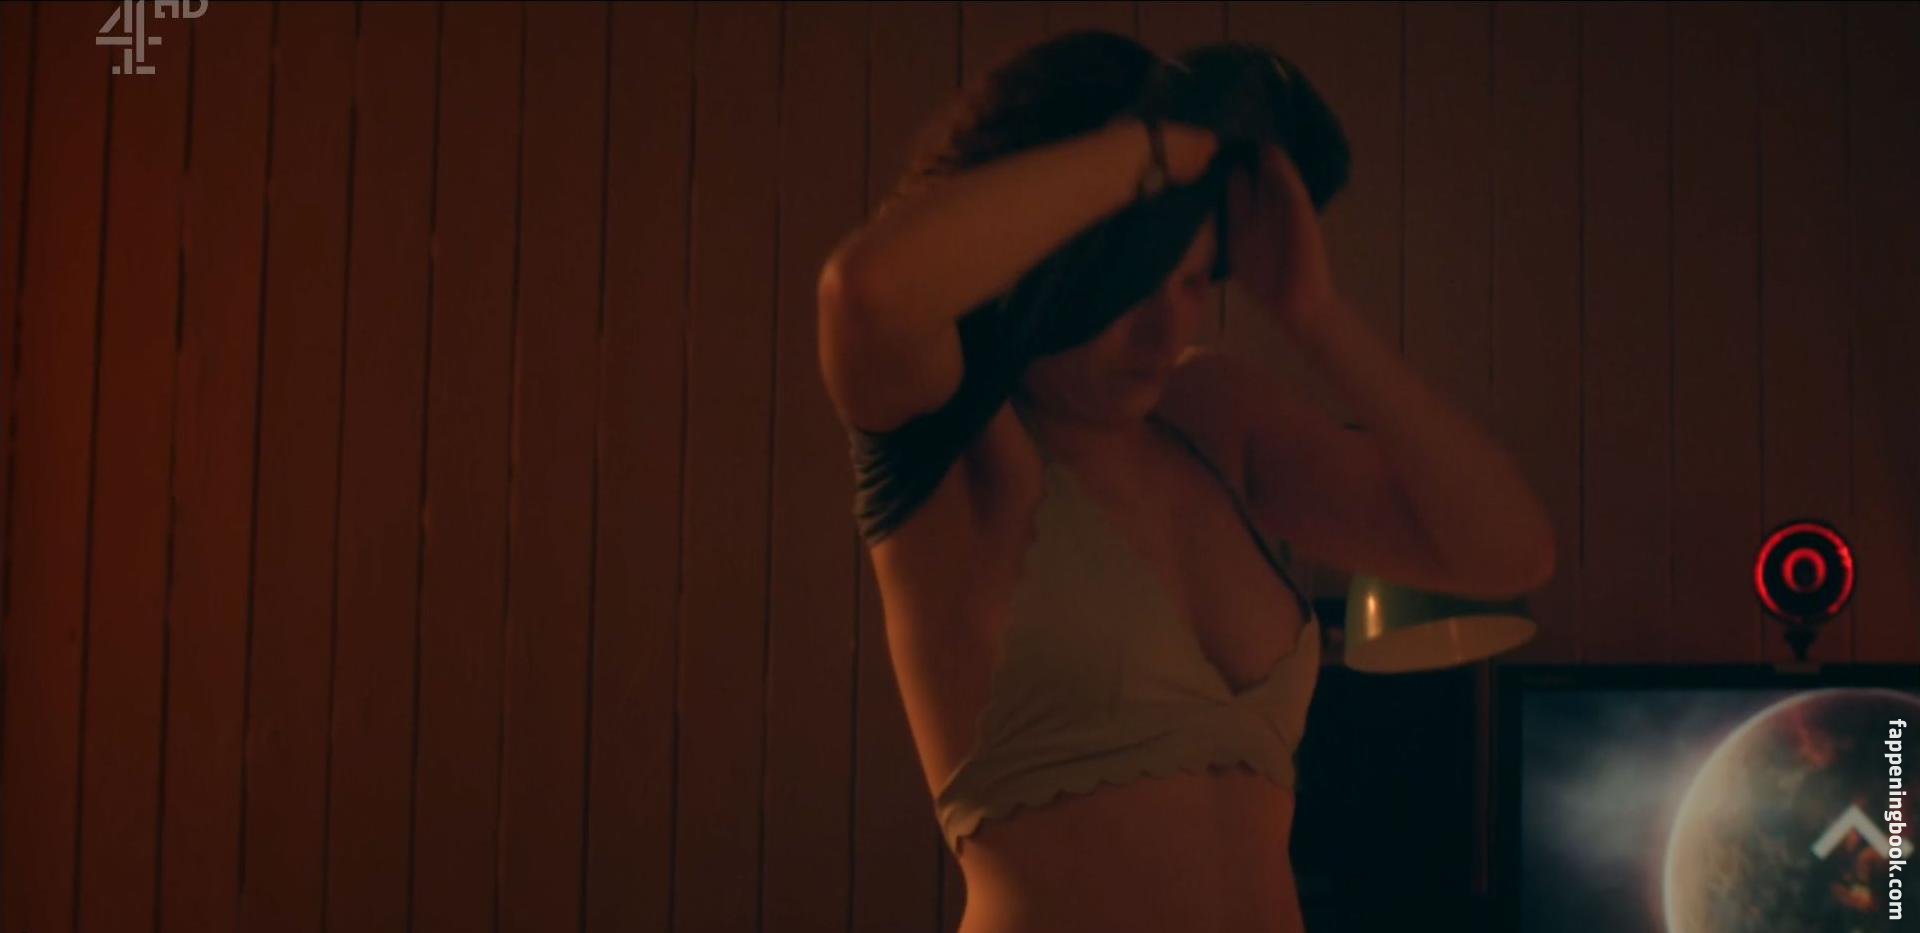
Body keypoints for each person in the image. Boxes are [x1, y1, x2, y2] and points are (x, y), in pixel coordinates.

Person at [815, 30, 1556, 933]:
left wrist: (1315, 316)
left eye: (1197, 283)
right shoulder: (958, 446)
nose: (1166, 333)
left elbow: (1507, 551)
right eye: (1135, 286)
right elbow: (865, 292)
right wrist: (1156, 147)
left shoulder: (1210, 417)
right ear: (1053, 268)